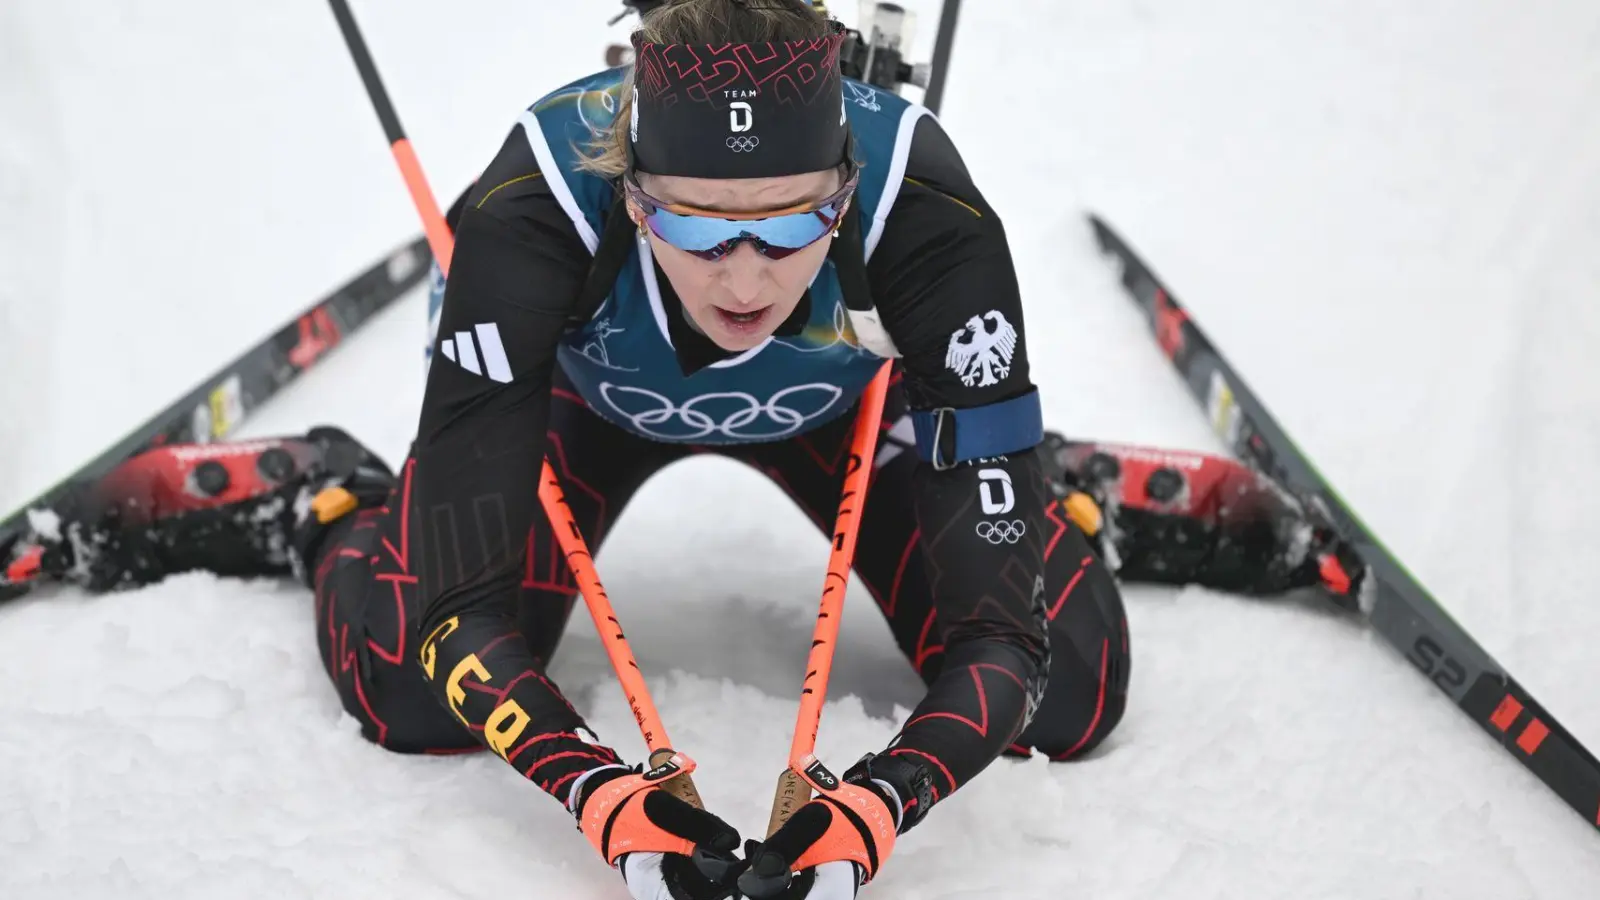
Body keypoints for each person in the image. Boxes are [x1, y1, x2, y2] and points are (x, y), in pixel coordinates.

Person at [2, 1, 1366, 897]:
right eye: (698, 227)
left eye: (794, 223)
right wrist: (597, 793)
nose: (746, 274)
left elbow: (1007, 649)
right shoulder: (537, 204)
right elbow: (463, 617)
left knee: (1073, 690)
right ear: (632, 189)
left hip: (853, 413)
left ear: (846, 186)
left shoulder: (924, 204)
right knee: (407, 690)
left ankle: (1043, 474)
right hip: (582, 413)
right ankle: (329, 497)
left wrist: (878, 808)